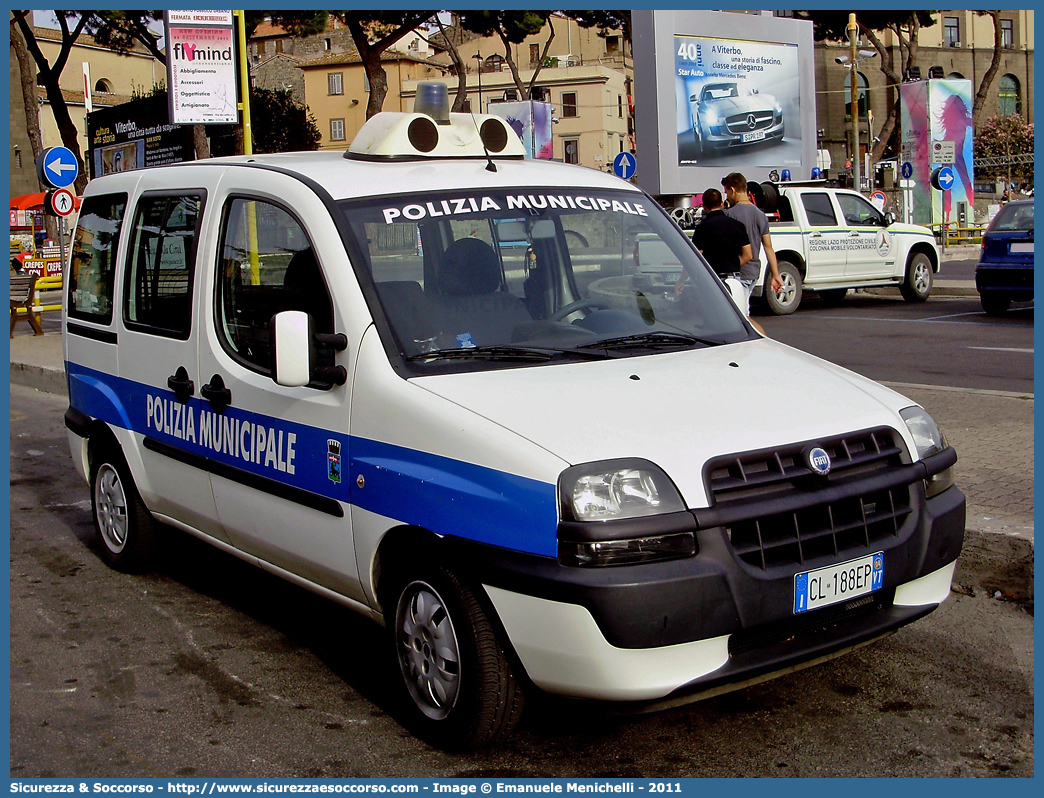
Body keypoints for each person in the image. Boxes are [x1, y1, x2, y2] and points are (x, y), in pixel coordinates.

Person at [721, 172, 784, 333]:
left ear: (733, 190)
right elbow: (768, 247)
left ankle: (761, 339)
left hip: (737, 271)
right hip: (753, 271)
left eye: (727, 192)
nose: (727, 196)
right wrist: (775, 275)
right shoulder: (760, 215)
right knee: (741, 312)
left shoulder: (729, 215)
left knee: (741, 316)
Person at [676, 188, 752, 313]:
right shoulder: (738, 225)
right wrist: (731, 264)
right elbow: (748, 255)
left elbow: (695, 258)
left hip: (711, 280)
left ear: (704, 206)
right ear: (722, 204)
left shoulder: (702, 228)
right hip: (733, 279)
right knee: (738, 318)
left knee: (714, 317)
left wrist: (682, 280)